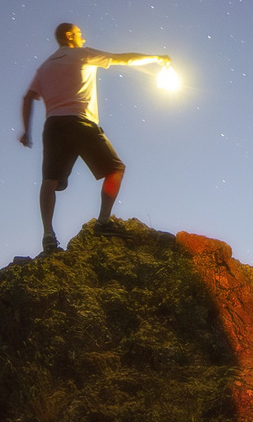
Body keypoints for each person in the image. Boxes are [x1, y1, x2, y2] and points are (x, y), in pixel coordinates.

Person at [19, 22, 170, 252]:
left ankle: (48, 235)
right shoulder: (82, 55)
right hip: (81, 122)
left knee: (49, 180)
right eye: (80, 34)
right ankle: (103, 222)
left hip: (54, 126)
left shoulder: (45, 67)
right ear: (70, 36)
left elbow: (28, 97)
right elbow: (124, 59)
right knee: (115, 169)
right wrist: (156, 58)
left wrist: (26, 131)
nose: (83, 38)